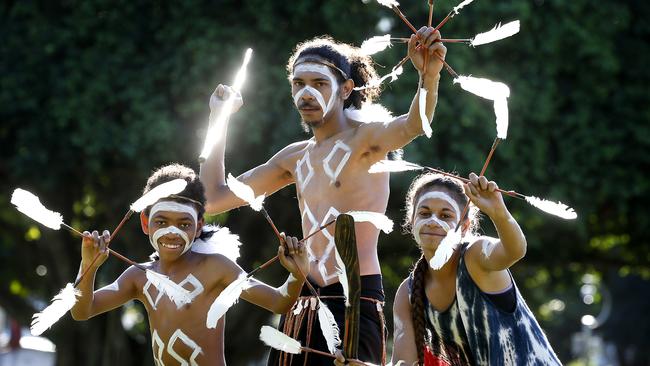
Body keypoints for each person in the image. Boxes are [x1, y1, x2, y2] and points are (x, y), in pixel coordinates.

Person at [200, 26, 447, 365]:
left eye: (319, 84)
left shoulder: (366, 141)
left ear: (346, 89)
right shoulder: (294, 157)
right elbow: (213, 198)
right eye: (298, 84)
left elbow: (414, 124)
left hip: (354, 298)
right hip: (301, 298)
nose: (307, 94)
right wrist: (218, 119)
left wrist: (428, 76)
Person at [70, 163, 309, 366]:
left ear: (199, 226)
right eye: (161, 221)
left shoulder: (216, 268)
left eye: (184, 224)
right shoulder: (139, 276)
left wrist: (297, 274)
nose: (172, 232)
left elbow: (279, 302)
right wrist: (88, 265)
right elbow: (82, 311)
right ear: (145, 222)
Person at [390, 172, 561, 365]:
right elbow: (403, 363)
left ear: (464, 226)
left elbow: (515, 251)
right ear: (411, 220)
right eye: (424, 213)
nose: (432, 221)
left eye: (445, 215)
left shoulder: (476, 255)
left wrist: (499, 212)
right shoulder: (408, 293)